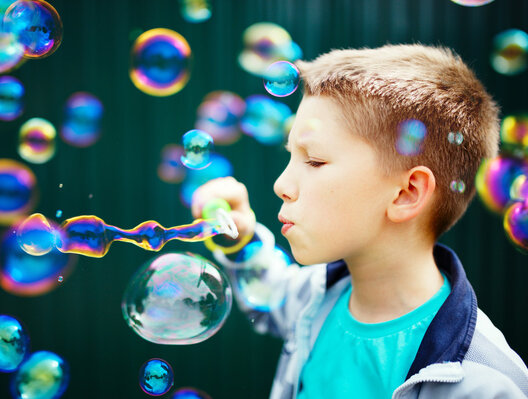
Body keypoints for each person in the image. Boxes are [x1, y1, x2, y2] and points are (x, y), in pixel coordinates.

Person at [191, 44, 528, 399]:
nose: (281, 185)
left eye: (315, 161)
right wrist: (240, 241)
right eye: (291, 156)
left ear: (406, 193)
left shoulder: (483, 383)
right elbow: (270, 293)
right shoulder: (319, 298)